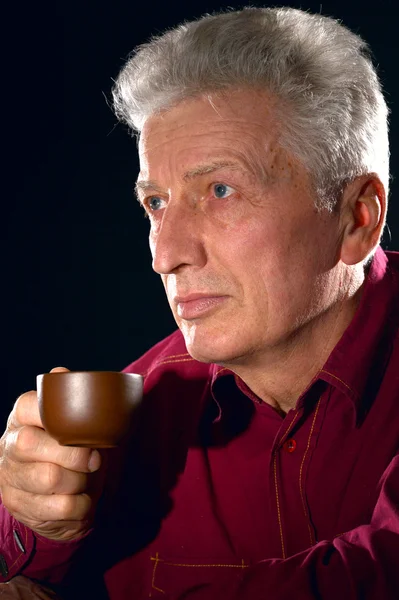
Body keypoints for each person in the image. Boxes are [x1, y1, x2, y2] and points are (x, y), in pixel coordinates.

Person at [0, 6, 398, 599]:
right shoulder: (147, 397)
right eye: (156, 203)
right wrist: (37, 525)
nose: (165, 255)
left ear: (357, 219)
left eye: (220, 190)